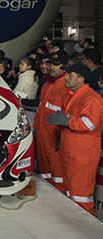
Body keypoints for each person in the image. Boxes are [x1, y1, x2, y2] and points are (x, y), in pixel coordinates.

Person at [47, 64, 103, 216]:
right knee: (72, 196)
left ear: (81, 79)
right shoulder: (74, 95)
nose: (65, 77)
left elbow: (90, 123)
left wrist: (66, 122)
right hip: (71, 153)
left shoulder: (91, 98)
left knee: (81, 199)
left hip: (82, 155)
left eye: (70, 75)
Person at [33, 50, 70, 193]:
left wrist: (62, 136)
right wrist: (36, 129)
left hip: (55, 142)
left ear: (65, 66)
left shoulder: (67, 87)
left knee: (59, 179)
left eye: (56, 65)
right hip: (43, 138)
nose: (51, 67)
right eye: (50, 64)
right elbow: (40, 109)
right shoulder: (46, 84)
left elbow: (69, 115)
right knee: (44, 176)